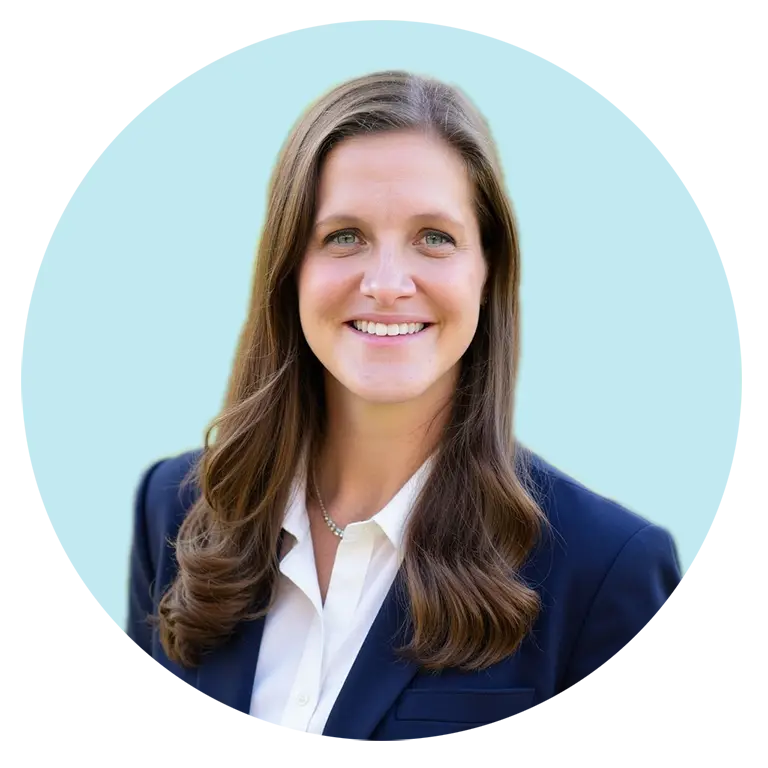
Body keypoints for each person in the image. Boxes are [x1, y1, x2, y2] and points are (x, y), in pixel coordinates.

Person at [127, 69, 682, 743]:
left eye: (434, 238)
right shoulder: (177, 509)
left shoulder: (604, 571)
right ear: (290, 269)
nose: (387, 284)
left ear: (487, 273)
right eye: (344, 236)